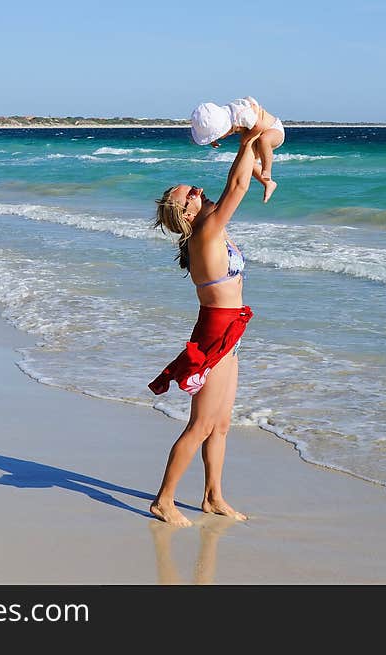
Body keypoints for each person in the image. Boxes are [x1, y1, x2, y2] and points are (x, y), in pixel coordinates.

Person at [147, 127, 263, 526]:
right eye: (190, 194)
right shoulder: (206, 233)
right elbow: (237, 187)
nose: (198, 190)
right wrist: (246, 141)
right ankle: (164, 500)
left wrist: (256, 151)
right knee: (200, 425)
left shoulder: (211, 227)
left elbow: (242, 180)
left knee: (222, 424)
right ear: (187, 214)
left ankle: (213, 496)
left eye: (194, 188)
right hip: (214, 334)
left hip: (230, 331)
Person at [190, 96, 284, 203]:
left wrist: (245, 139)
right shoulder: (226, 116)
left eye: (217, 136)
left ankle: (267, 170)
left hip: (274, 129)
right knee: (248, 164)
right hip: (260, 136)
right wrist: (212, 140)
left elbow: (260, 126)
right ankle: (268, 183)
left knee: (264, 140)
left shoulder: (240, 115)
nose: (219, 137)